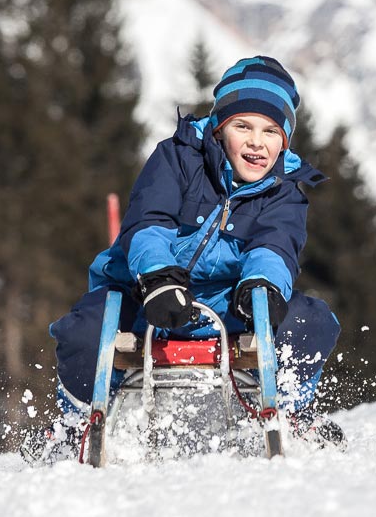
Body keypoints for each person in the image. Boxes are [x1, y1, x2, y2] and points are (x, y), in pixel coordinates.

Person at [44, 55, 341, 454]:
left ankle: (293, 416)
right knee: (82, 332)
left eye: (271, 130)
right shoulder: (177, 159)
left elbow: (276, 246)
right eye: (243, 126)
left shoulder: (284, 193)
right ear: (219, 128)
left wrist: (262, 286)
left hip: (227, 301)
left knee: (312, 321)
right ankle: (77, 423)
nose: (257, 141)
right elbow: (149, 221)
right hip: (145, 293)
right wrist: (159, 278)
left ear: (285, 140)